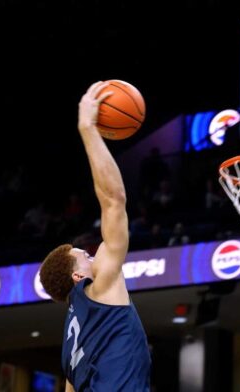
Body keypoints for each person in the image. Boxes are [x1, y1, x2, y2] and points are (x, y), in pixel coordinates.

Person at [39, 81, 151, 392]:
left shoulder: (70, 349)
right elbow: (114, 200)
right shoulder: (99, 287)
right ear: (78, 276)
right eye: (86, 256)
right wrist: (87, 127)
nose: (93, 254)